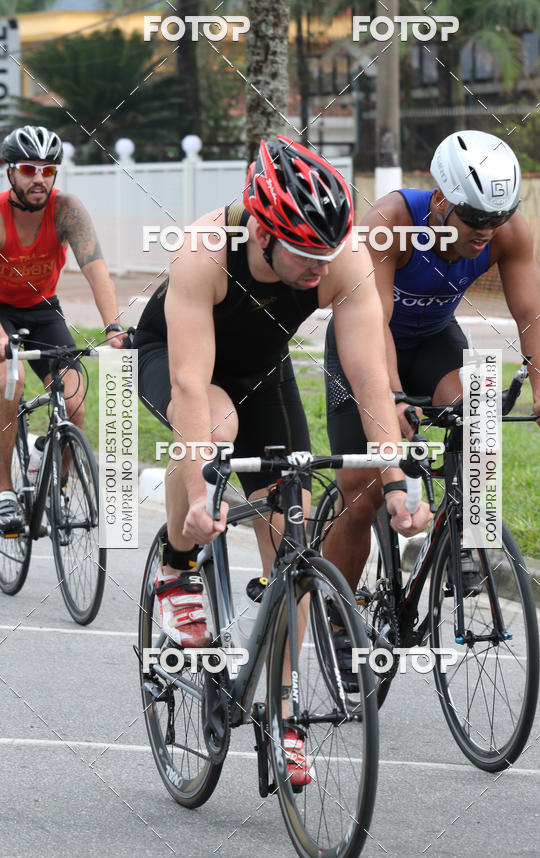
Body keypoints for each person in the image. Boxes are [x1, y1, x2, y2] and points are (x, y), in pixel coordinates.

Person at [133, 135, 431, 785]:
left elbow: (369, 378)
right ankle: (179, 566)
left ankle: (284, 711)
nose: (322, 270)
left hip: (263, 376)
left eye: (330, 253)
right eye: (307, 254)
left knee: (291, 548)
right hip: (180, 361)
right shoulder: (205, 253)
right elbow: (190, 386)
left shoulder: (339, 260)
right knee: (217, 428)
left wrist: (396, 477)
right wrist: (201, 489)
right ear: (264, 229)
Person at [322, 129, 540, 589]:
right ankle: (339, 619)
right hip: (364, 342)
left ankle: (469, 542)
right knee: (361, 494)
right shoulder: (392, 221)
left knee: (480, 399)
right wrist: (394, 398)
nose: (486, 231)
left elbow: (531, 313)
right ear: (439, 199)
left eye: (498, 217)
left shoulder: (506, 234)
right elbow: (374, 325)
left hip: (433, 336)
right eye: (475, 217)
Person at [0, 125, 127, 530]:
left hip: (43, 309)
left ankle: (57, 482)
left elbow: (96, 270)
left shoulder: (67, 209)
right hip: (0, 310)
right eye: (28, 168)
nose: (39, 178)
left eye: (48, 170)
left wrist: (113, 326)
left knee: (73, 402)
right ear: (10, 173)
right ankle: (3, 490)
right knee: (10, 379)